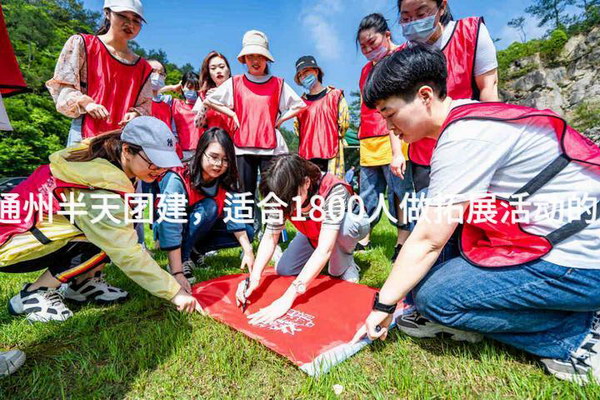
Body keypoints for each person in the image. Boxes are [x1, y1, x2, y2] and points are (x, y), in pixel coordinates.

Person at [353, 44, 600, 384]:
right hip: (557, 237)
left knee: (435, 299)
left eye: (390, 113)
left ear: (425, 96)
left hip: (583, 263)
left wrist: (383, 306)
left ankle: (576, 335)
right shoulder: (469, 115)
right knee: (422, 267)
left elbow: (426, 241)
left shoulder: (463, 138)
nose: (388, 127)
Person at [0, 117, 202, 322]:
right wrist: (174, 292)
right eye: (153, 161)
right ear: (127, 151)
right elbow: (128, 253)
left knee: (112, 231)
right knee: (113, 238)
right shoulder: (99, 188)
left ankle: (84, 284)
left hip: (24, 233)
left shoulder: (103, 159)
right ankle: (34, 294)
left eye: (164, 163)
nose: (159, 169)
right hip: (12, 246)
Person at [235, 154, 370, 325]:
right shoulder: (281, 195)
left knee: (337, 264)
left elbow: (324, 249)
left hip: (346, 226)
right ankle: (322, 252)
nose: (286, 207)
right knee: (284, 269)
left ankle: (347, 261)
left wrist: (289, 296)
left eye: (290, 200)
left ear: (306, 183)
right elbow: (270, 236)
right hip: (314, 231)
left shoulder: (333, 189)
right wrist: (254, 277)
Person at [397, 0, 499, 192]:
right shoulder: (402, 56)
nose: (414, 22)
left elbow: (489, 90)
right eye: (406, 18)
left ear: (442, 7)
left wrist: (490, 145)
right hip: (425, 157)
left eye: (421, 14)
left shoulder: (471, 33)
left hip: (470, 148)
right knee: (432, 214)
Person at [204, 30, 306, 204]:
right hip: (242, 148)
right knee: (245, 195)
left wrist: (280, 120)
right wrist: (233, 113)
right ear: (244, 59)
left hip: (270, 147)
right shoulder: (235, 82)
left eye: (259, 56)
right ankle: (247, 231)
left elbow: (299, 105)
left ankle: (272, 230)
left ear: (266, 59)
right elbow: (210, 99)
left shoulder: (278, 83)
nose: (255, 61)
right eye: (250, 56)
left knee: (273, 193)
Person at [154, 128, 255, 290]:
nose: (218, 164)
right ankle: (182, 259)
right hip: (176, 228)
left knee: (248, 233)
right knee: (209, 207)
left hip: (202, 227)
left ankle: (195, 251)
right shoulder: (178, 177)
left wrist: (248, 252)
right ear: (201, 152)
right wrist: (177, 271)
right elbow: (170, 223)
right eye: (214, 157)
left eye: (225, 160)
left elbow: (235, 217)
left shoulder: (226, 180)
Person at [46, 0, 152, 145]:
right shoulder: (83, 44)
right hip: (84, 136)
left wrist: (136, 114)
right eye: (123, 16)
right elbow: (63, 86)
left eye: (136, 20)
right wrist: (87, 104)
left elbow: (145, 105)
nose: (130, 24)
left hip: (122, 142)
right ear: (107, 13)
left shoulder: (143, 67)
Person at [356, 14, 414, 261]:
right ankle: (363, 238)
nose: (369, 50)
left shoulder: (405, 56)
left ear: (387, 35)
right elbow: (364, 104)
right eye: (364, 47)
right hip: (369, 139)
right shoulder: (365, 70)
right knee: (367, 192)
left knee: (400, 191)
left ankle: (403, 241)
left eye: (373, 42)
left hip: (398, 136)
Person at [293, 55, 349, 179]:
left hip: (331, 155)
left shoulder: (335, 95)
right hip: (307, 157)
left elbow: (344, 124)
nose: (304, 76)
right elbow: (297, 130)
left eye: (306, 71)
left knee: (332, 191)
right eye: (301, 75)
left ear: (316, 71)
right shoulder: (299, 104)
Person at [192, 51, 236, 136]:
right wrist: (207, 104)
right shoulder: (203, 95)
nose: (218, 71)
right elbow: (198, 125)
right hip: (214, 142)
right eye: (213, 68)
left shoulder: (239, 91)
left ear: (229, 70)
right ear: (209, 73)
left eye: (222, 67)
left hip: (236, 143)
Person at [171, 71, 201, 161]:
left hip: (200, 152)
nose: (193, 91)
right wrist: (172, 87)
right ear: (182, 87)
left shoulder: (204, 106)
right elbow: (154, 95)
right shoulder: (175, 104)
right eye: (189, 87)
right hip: (181, 153)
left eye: (196, 88)